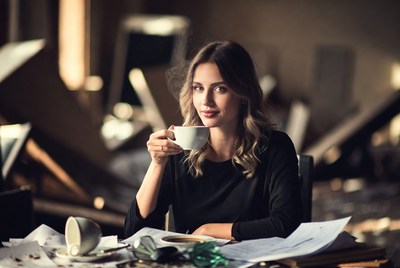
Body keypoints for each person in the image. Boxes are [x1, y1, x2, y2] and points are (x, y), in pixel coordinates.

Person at [124, 40, 302, 241]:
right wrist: (157, 164)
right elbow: (135, 233)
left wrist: (208, 231)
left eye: (220, 89)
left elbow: (285, 223)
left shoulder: (275, 147)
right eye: (198, 88)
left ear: (243, 93)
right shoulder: (180, 150)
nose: (206, 101)